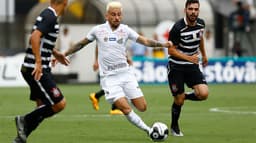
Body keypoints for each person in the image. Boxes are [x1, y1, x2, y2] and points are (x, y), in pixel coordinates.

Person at [63, 1, 172, 137]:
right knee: (126, 108)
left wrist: (163, 44)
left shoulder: (125, 30)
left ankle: (123, 97)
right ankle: (149, 131)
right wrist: (64, 54)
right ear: (107, 16)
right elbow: (81, 44)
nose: (116, 17)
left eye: (119, 15)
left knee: (142, 107)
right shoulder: (98, 30)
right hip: (109, 79)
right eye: (113, 15)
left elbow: (145, 41)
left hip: (126, 75)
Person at [13, 0, 69, 143]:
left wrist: (55, 53)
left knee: (41, 107)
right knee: (59, 103)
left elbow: (38, 37)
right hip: (37, 69)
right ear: (65, 2)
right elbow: (34, 37)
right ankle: (24, 120)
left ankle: (20, 139)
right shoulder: (50, 16)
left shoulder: (46, 15)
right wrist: (38, 62)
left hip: (33, 67)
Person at [167, 0, 209, 137]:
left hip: (192, 66)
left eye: (196, 9)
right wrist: (189, 58)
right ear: (185, 10)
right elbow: (171, 51)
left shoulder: (201, 24)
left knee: (203, 94)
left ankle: (183, 96)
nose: (193, 12)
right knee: (178, 101)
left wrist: (204, 54)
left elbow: (200, 38)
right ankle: (174, 126)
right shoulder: (177, 28)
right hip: (176, 67)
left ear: (199, 10)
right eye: (190, 9)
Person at [89, 46, 123, 115]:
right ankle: (114, 108)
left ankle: (96, 96)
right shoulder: (106, 36)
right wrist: (96, 61)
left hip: (112, 61)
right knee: (117, 83)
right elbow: (98, 45)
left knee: (114, 83)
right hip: (110, 61)